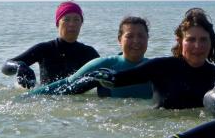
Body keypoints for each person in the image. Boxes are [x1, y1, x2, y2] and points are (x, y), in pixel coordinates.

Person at [30, 8, 215, 109]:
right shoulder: (159, 68)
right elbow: (68, 85)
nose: (197, 46)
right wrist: (30, 97)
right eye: (191, 39)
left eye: (203, 40)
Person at [25, 17, 153, 98]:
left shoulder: (157, 68)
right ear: (119, 40)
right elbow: (67, 84)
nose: (136, 41)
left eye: (141, 36)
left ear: (148, 38)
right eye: (129, 36)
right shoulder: (105, 65)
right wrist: (27, 98)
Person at [1, 1, 99, 88]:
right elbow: (5, 67)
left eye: (76, 20)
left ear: (81, 23)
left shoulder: (89, 53)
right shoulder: (45, 49)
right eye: (66, 19)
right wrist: (20, 65)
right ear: (57, 24)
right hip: (47, 99)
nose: (72, 24)